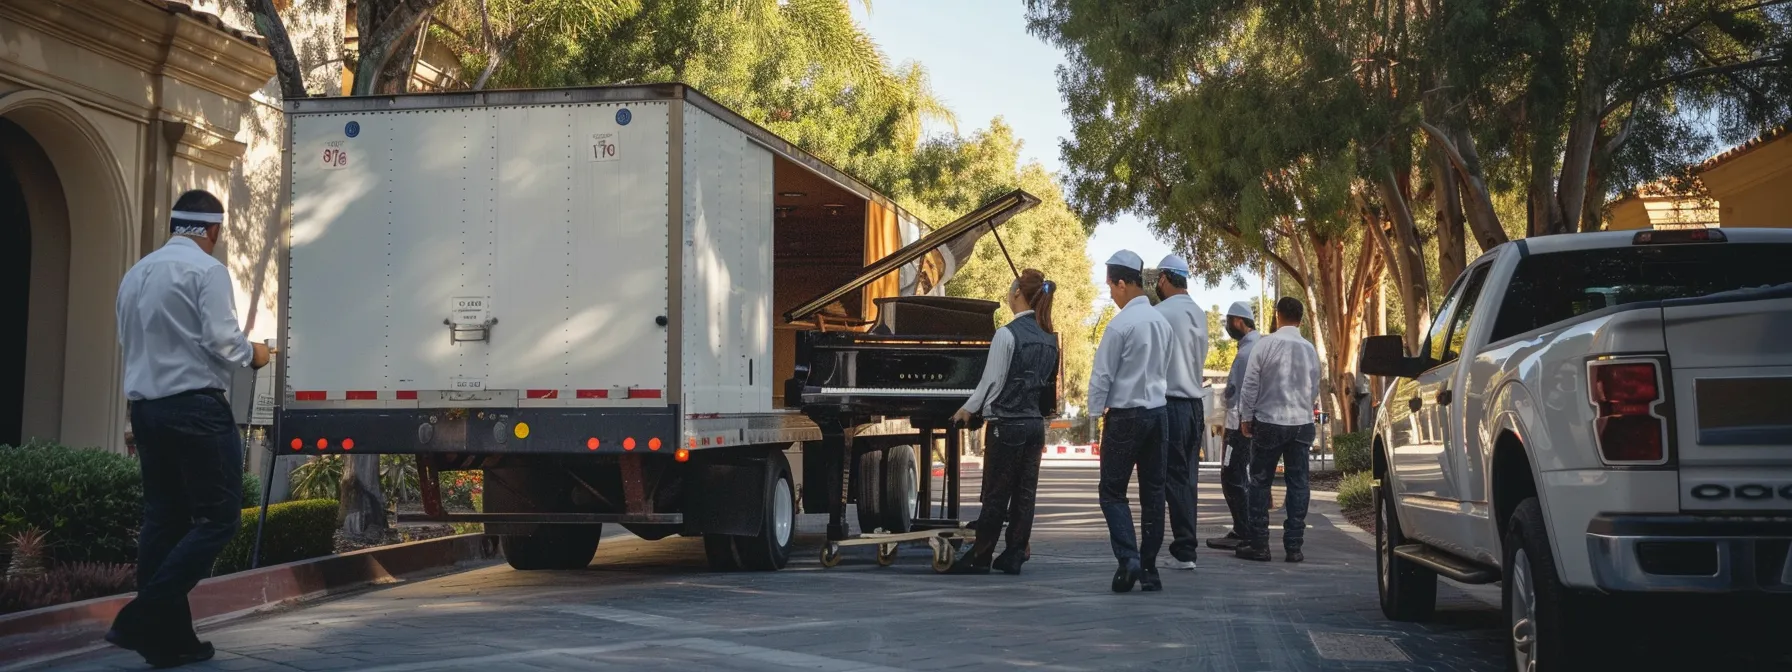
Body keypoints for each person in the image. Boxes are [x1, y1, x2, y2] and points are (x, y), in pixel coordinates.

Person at [107, 190, 272, 668]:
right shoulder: (207, 271)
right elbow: (224, 341)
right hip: (196, 410)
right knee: (219, 520)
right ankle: (144, 615)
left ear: (176, 226)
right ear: (213, 231)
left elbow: (127, 339)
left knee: (163, 520)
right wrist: (254, 353)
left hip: (147, 411)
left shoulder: (136, 273)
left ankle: (171, 640)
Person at [947, 269, 1061, 575]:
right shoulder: (1050, 338)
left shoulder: (1006, 334)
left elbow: (991, 382)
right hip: (1034, 426)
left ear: (1016, 294)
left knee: (996, 494)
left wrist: (967, 410)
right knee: (1025, 494)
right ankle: (1013, 553)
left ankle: (981, 555)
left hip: (1006, 424)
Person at [1087, 250, 1173, 593]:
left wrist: (1095, 416)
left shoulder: (1120, 325)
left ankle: (1129, 559)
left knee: (1112, 491)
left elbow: (1102, 377)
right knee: (1154, 493)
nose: (1110, 294)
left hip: (1124, 417)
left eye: (1110, 286)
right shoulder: (1161, 323)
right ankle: (1150, 568)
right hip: (1158, 413)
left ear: (1122, 284)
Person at [1236, 297, 1322, 563]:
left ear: (1277, 315)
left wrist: (1246, 416)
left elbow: (1251, 384)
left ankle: (1260, 544)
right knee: (1298, 484)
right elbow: (1315, 385)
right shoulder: (1309, 349)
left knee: (1260, 482)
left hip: (1269, 421)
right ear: (1301, 318)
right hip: (1301, 422)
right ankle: (1294, 546)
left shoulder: (1265, 345)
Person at [1152, 255, 1208, 570]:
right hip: (1194, 405)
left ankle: (1181, 549)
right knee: (1187, 477)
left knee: (1166, 478)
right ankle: (1186, 545)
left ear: (1163, 279)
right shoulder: (1199, 314)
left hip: (1168, 403)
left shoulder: (1160, 313)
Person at [1206, 301, 1261, 551]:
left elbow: (1233, 393)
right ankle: (1247, 529)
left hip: (1239, 423)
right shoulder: (1262, 346)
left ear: (1239, 321)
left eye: (1229, 321)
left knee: (1231, 475)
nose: (1228, 327)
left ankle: (1243, 530)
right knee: (1246, 476)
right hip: (1255, 422)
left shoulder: (1245, 353)